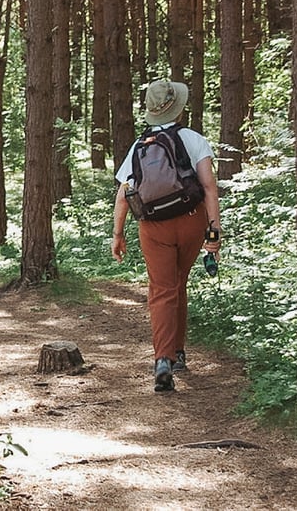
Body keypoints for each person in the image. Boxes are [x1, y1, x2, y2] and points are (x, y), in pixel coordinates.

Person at [111, 79, 222, 392]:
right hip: (190, 221)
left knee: (162, 289)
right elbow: (209, 187)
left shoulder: (139, 146)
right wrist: (213, 229)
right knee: (178, 284)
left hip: (153, 226)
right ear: (179, 108)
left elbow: (124, 194)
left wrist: (118, 234)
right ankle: (179, 354)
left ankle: (163, 359)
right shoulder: (193, 139)